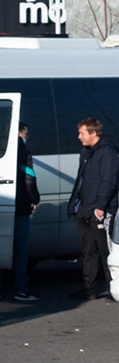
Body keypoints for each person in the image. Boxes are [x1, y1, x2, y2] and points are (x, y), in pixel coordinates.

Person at [0, 121, 41, 301]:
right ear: (18, 133)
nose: (27, 136)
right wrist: (34, 199)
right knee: (20, 251)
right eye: (25, 133)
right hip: (20, 208)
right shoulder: (23, 153)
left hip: (0, 207)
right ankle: (21, 290)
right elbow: (29, 179)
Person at [67, 117, 118, 302]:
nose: (79, 137)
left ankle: (114, 289)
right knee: (88, 251)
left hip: (99, 211)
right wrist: (76, 206)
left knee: (106, 252)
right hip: (85, 210)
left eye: (82, 133)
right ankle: (89, 289)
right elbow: (81, 181)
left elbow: (109, 182)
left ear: (93, 133)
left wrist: (100, 207)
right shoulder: (86, 152)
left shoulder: (108, 152)